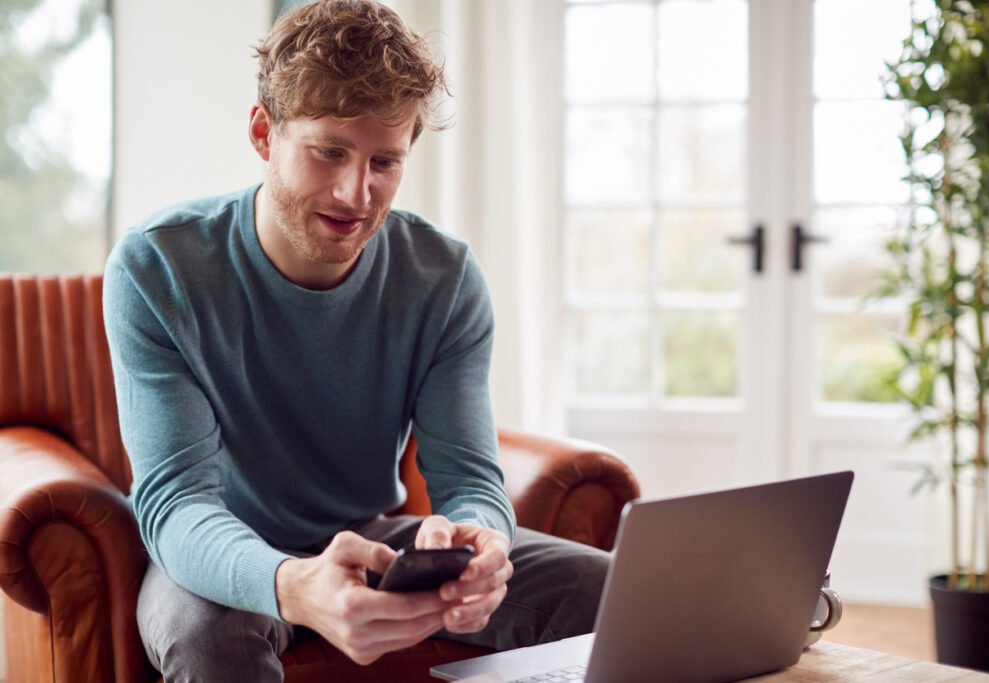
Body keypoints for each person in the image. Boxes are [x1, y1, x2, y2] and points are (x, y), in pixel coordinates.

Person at [102, 1, 609, 680]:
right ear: (263, 132)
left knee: (612, 588)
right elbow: (178, 504)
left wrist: (476, 539)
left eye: (384, 162)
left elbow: (469, 479)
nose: (355, 193)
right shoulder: (156, 267)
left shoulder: (444, 276)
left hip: (369, 535)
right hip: (216, 550)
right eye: (328, 152)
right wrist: (291, 582)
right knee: (208, 641)